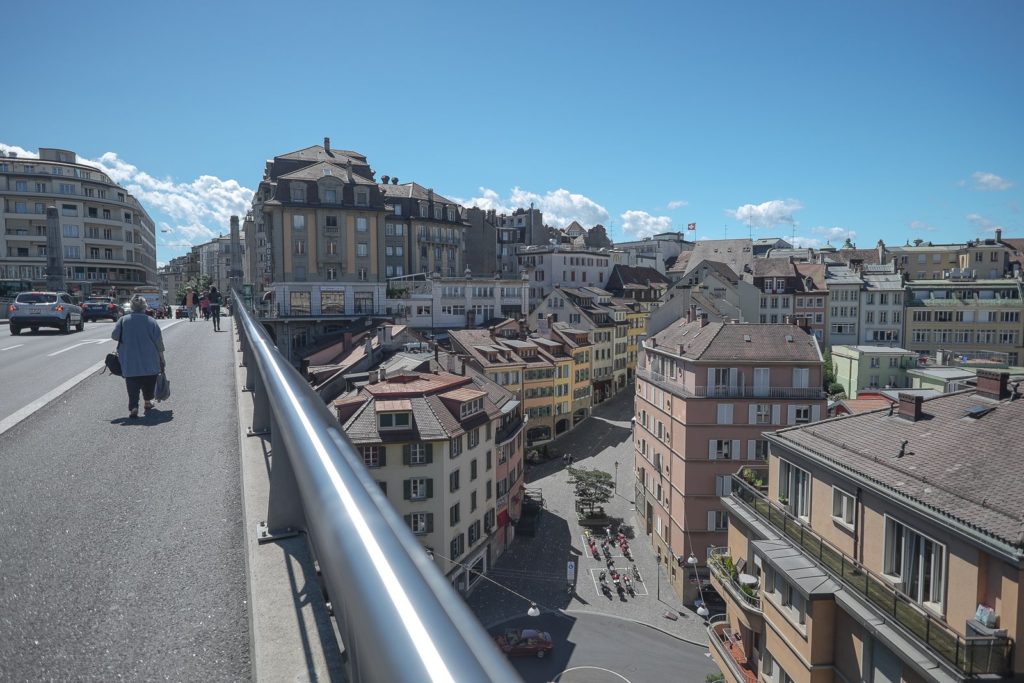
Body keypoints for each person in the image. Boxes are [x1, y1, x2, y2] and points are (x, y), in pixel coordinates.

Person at [112, 296, 166, 418]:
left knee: (132, 383)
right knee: (149, 381)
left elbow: (114, 336)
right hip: (150, 359)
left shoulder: (123, 320)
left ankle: (134, 407)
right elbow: (159, 342)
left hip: (129, 358)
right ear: (145, 307)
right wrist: (162, 358)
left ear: (131, 307)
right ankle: (147, 401)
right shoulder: (151, 321)